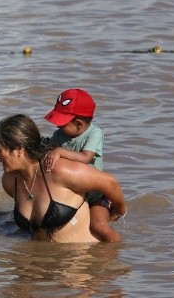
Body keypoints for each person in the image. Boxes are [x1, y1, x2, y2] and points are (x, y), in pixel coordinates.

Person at [0, 114, 127, 243]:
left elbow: (110, 182)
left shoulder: (60, 171)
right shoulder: (9, 181)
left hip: (83, 260)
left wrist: (118, 211)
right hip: (40, 261)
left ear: (19, 150)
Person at [42, 88, 121, 242]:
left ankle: (116, 248)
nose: (58, 128)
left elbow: (85, 157)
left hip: (94, 195)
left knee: (99, 227)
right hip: (72, 192)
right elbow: (49, 152)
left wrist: (59, 151)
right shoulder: (59, 135)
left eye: (61, 124)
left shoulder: (94, 133)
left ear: (78, 123)